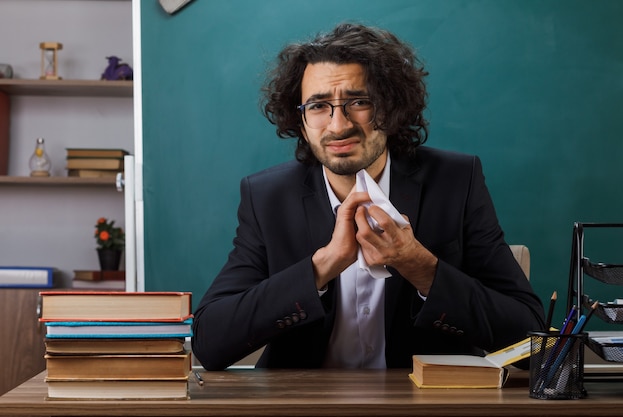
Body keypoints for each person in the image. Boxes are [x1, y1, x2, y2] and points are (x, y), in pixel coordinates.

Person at [191, 22, 545, 370]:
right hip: (301, 405)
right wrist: (322, 267)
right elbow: (209, 342)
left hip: (426, 405)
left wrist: (419, 266)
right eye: (317, 106)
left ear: (391, 108)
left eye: (358, 102)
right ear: (300, 122)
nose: (339, 125)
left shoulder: (456, 182)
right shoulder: (266, 197)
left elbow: (534, 345)